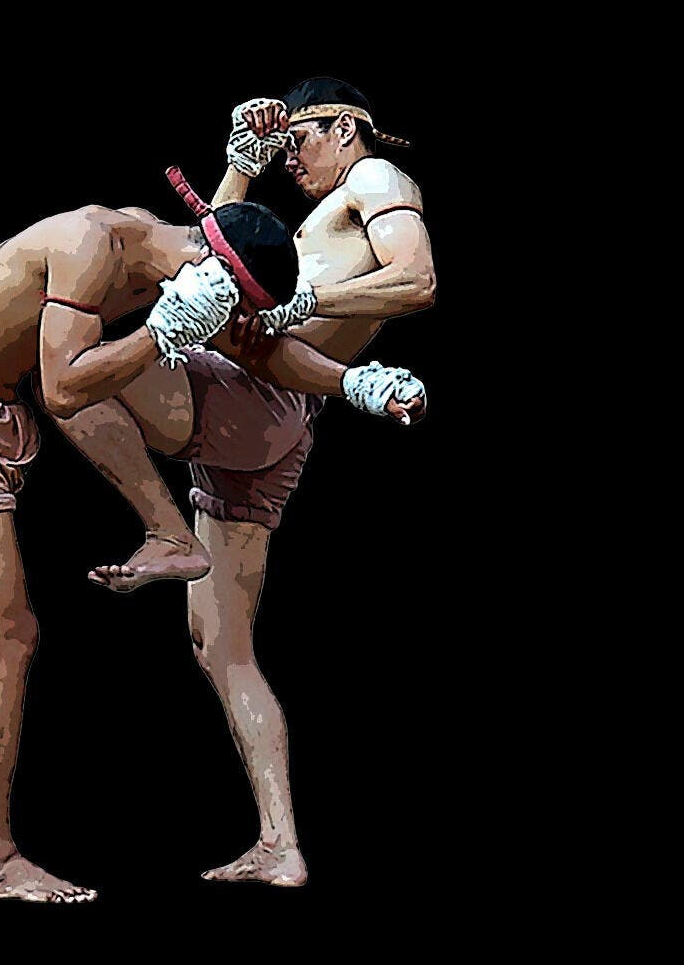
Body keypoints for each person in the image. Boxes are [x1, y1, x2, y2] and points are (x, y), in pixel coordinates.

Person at [0, 194, 398, 902]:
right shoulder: (93, 244)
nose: (229, 329)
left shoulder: (171, 263)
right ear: (211, 272)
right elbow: (63, 389)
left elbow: (260, 353)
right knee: (7, 638)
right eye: (234, 307)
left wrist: (354, 383)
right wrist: (159, 334)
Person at [52, 78, 435, 887]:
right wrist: (242, 163)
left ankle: (161, 528)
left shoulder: (376, 178)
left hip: (250, 394)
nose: (292, 160)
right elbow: (212, 256)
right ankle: (279, 845)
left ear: (343, 127)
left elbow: (416, 280)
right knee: (220, 644)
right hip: (272, 423)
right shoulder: (321, 215)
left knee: (68, 372)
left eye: (300, 141)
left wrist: (301, 300)